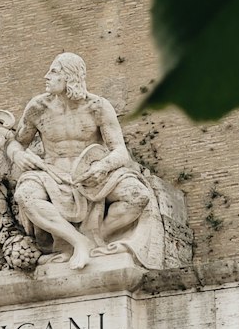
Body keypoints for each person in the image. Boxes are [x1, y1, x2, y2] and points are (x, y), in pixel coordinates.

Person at [9, 53, 151, 269]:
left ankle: (94, 238)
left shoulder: (97, 107)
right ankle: (76, 242)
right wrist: (18, 155)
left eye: (54, 71)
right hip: (51, 173)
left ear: (70, 76)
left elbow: (120, 151)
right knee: (25, 196)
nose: (46, 76)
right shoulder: (38, 107)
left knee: (137, 196)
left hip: (90, 176)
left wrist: (103, 167)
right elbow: (16, 143)